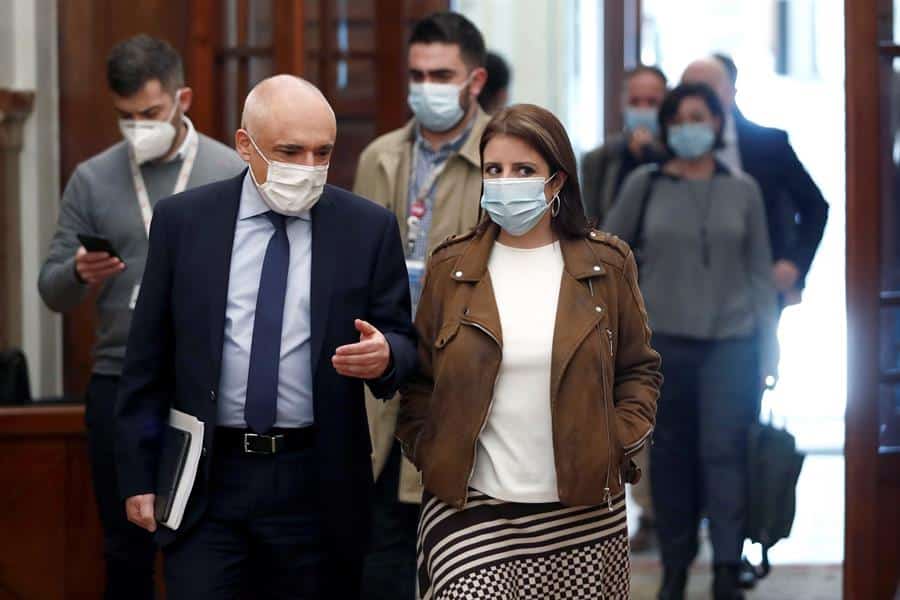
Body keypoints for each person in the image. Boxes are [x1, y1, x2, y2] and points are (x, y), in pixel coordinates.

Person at [114, 75, 418, 599]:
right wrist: (140, 474)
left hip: (315, 481)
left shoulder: (366, 228)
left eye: (322, 153)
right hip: (208, 478)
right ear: (244, 145)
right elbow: (147, 360)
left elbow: (403, 342)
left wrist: (387, 355)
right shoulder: (184, 222)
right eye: (289, 151)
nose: (307, 168)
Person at [397, 103, 662, 599]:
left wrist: (615, 441)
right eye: (494, 170)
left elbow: (639, 370)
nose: (505, 182)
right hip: (469, 508)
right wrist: (430, 451)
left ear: (556, 181)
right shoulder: (451, 267)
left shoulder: (606, 265)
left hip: (581, 512)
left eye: (524, 170)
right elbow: (420, 382)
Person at [37, 34, 245, 599]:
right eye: (125, 117)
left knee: (209, 539)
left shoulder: (229, 171)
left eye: (150, 113)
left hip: (203, 386)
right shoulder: (92, 177)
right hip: (119, 383)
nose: (139, 128)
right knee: (124, 544)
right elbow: (51, 292)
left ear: (184, 98)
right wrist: (79, 271)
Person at [605, 83, 778, 600]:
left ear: (719, 123)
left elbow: (760, 273)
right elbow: (609, 255)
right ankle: (676, 566)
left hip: (734, 343)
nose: (688, 128)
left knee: (725, 455)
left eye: (698, 117)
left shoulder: (743, 188)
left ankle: (727, 566)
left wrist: (771, 349)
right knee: (672, 458)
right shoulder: (645, 183)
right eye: (677, 119)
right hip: (663, 348)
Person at [352, 11, 489, 599]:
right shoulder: (381, 156)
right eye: (417, 74)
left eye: (441, 74)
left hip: (463, 384)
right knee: (380, 550)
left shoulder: (502, 160)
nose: (426, 87)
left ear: (474, 81)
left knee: (463, 561)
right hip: (385, 375)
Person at [682, 56, 828, 308]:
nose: (698, 100)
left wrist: (793, 264)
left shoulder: (769, 144)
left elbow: (815, 206)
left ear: (730, 92)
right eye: (689, 90)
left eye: (707, 89)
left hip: (757, 285)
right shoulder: (669, 147)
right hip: (686, 286)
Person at [581, 65, 669, 224]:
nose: (643, 109)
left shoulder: (678, 158)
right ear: (623, 104)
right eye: (634, 102)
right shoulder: (598, 160)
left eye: (652, 102)